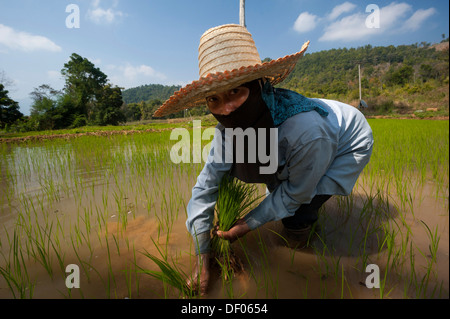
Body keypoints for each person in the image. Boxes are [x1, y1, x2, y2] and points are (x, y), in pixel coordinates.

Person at [153, 24, 374, 296]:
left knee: (299, 209)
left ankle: (302, 241)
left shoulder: (306, 133)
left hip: (346, 141)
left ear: (258, 86)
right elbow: (205, 186)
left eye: (235, 91)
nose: (226, 108)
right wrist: (203, 259)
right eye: (214, 99)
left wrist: (246, 225)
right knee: (273, 180)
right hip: (297, 137)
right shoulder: (228, 131)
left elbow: (297, 191)